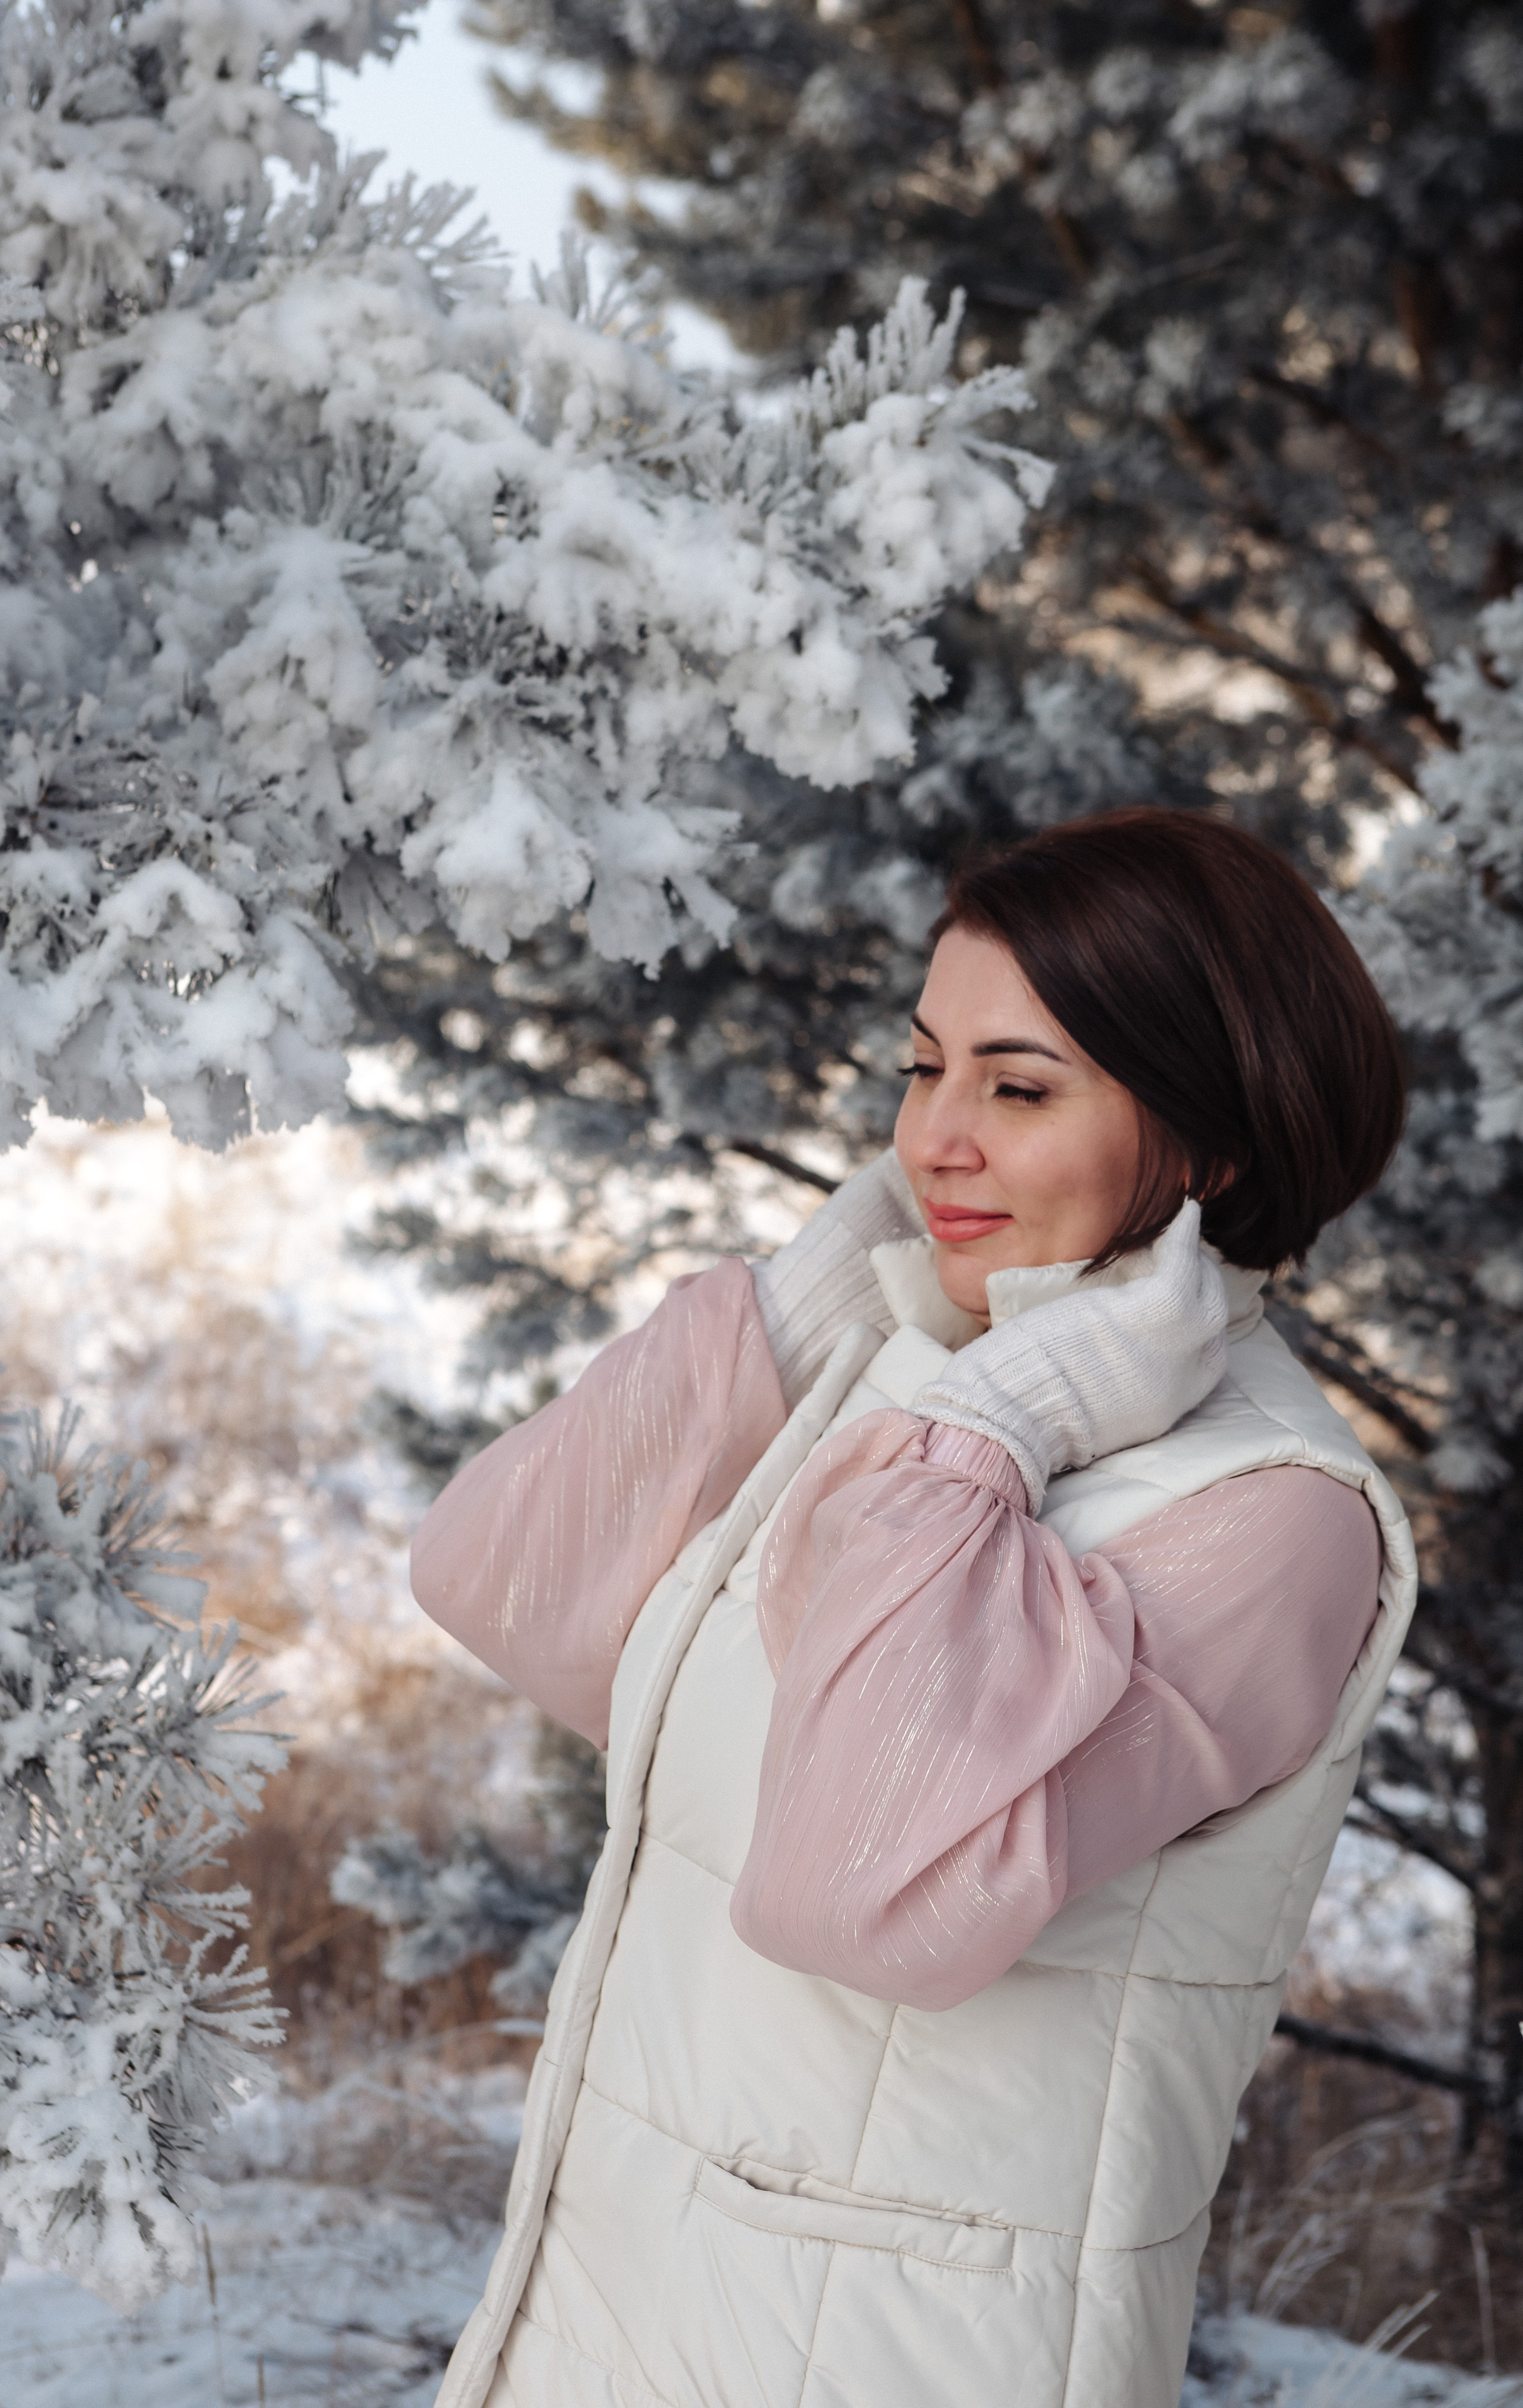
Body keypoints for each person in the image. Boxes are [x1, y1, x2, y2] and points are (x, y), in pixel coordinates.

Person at [411, 808, 1418, 2408]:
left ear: (1213, 1145)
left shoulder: (1266, 1516)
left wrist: (998, 1422)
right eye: (920, 1068)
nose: (930, 1140)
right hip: (627, 2307)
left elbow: (865, 1892)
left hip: (893, 2361)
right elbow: (508, 1584)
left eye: (1015, 1090)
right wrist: (820, 1291)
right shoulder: (915, 1391)